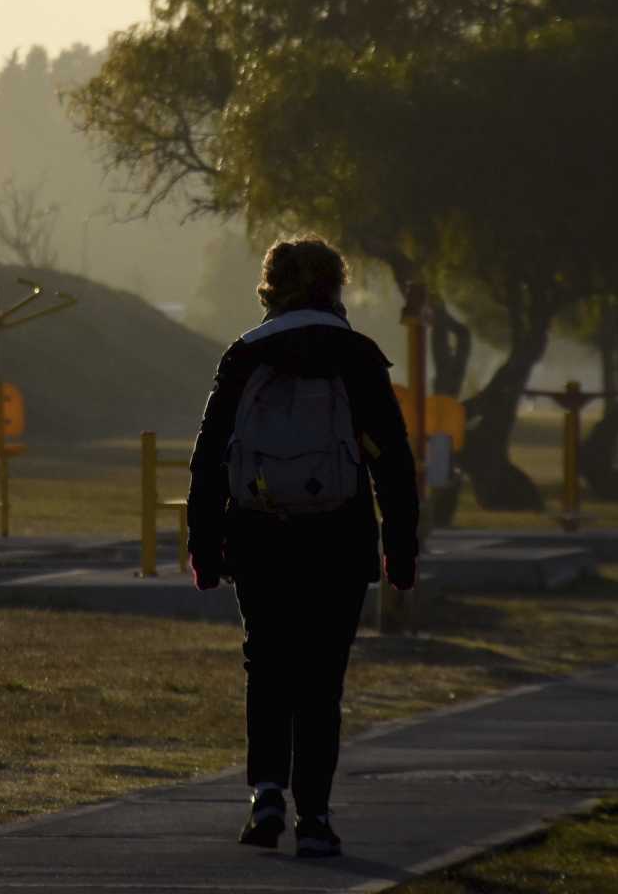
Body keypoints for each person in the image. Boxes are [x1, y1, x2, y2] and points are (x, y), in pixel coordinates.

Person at [187, 234, 419, 859]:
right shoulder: (358, 356)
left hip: (260, 534)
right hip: (338, 537)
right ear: (336, 285)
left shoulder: (244, 356)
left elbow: (208, 459)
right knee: (321, 679)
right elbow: (393, 462)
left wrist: (204, 547)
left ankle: (265, 794)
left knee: (266, 663)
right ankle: (314, 816)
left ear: (270, 286)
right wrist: (401, 549)